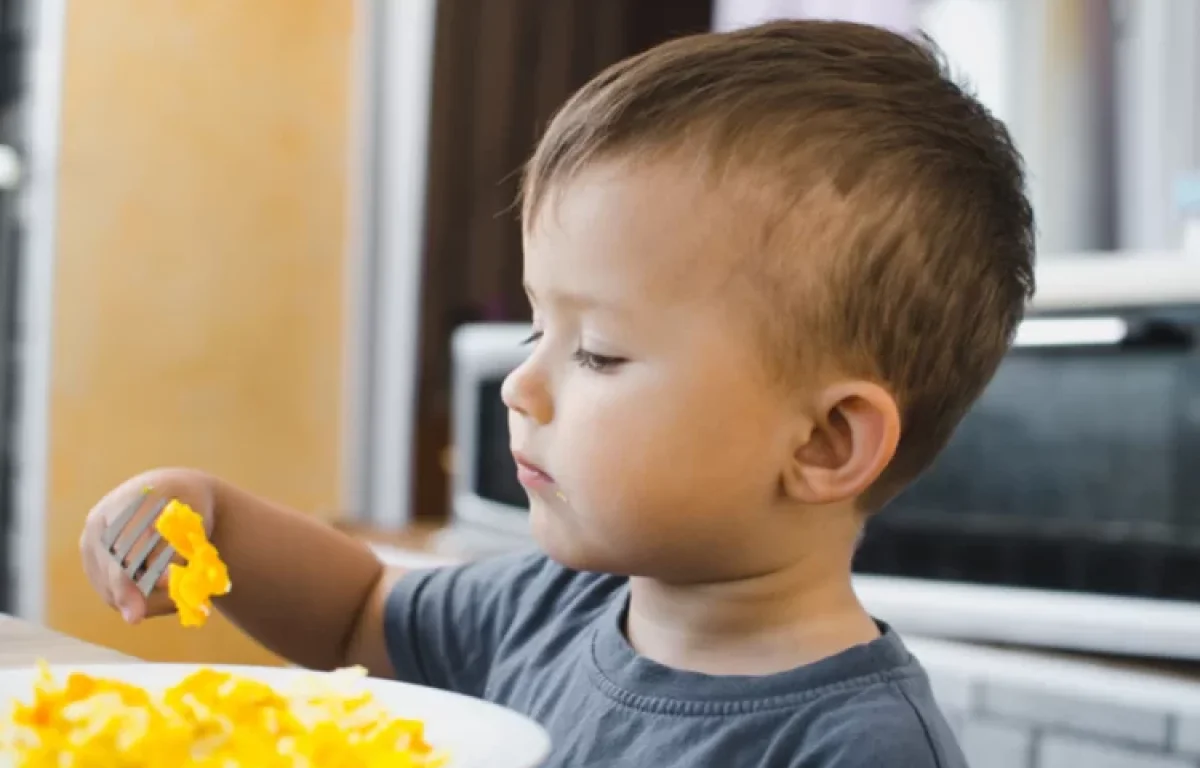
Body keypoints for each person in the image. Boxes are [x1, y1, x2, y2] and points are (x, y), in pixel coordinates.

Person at [80, 19, 1033, 767]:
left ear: (824, 443)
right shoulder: (555, 603)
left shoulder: (858, 747)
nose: (523, 385)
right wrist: (217, 523)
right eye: (542, 328)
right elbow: (358, 609)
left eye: (601, 354)